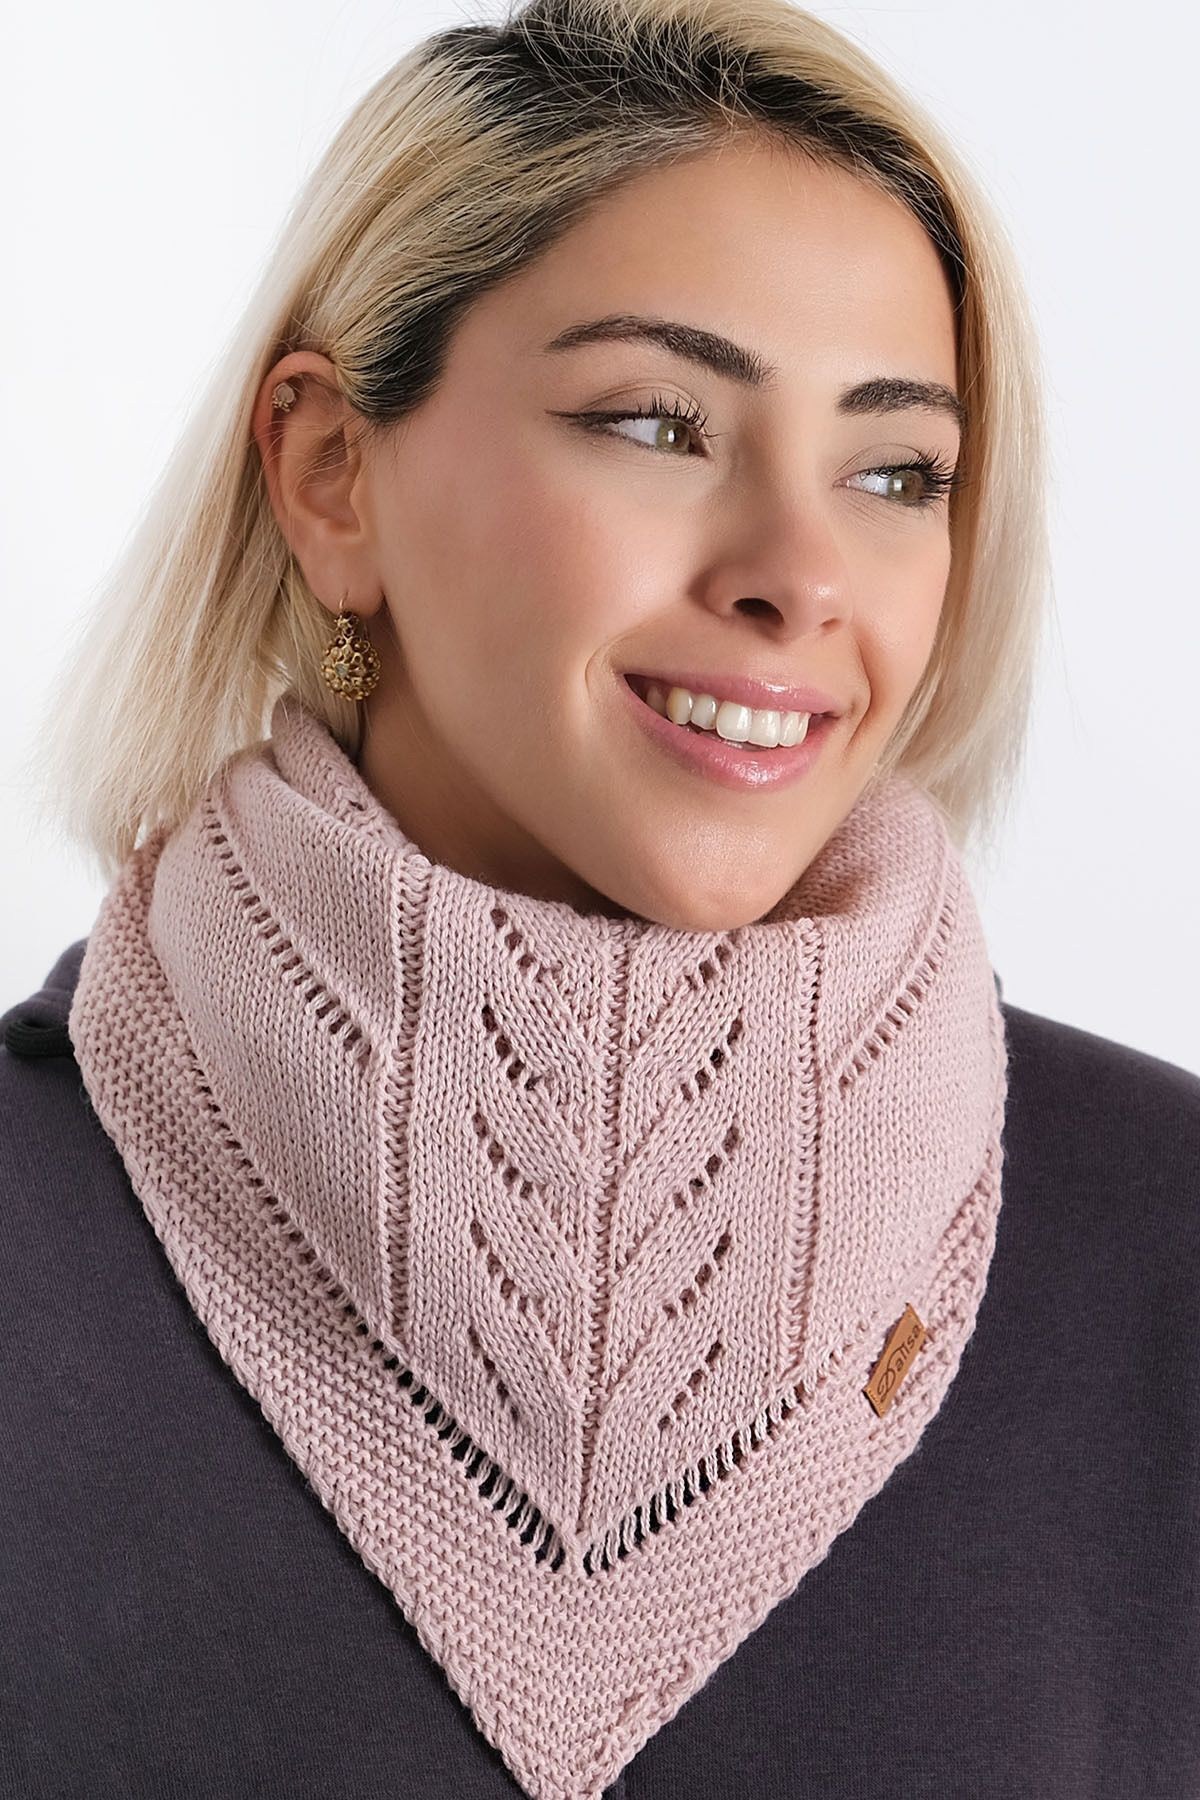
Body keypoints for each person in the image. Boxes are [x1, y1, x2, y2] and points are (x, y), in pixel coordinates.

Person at [2, 0, 1197, 1795]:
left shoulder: (1169, 1243)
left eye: (896, 472)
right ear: (331, 473)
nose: (802, 575)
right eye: (656, 423)